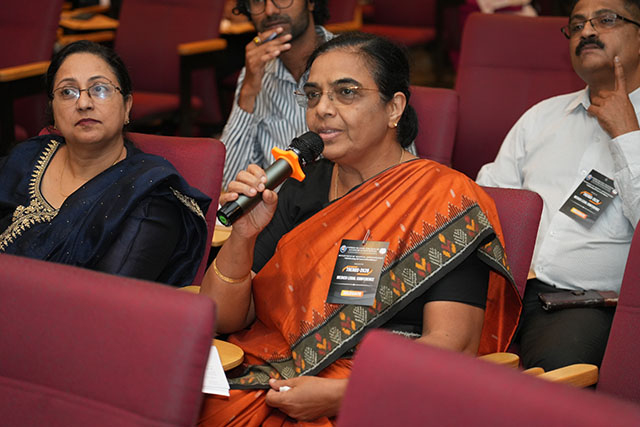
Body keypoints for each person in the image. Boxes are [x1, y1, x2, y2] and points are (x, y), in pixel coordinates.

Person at [199, 33, 521, 426]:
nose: (323, 109)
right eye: (313, 95)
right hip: (275, 375)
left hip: (386, 394)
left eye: (346, 93)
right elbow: (225, 318)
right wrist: (243, 236)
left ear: (394, 108)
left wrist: (342, 395)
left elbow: (454, 348)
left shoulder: (444, 201)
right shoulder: (300, 186)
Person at [476, 0, 640, 371]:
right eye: (577, 25)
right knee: (422, 343)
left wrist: (627, 134)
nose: (587, 31)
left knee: (553, 371)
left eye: (605, 20)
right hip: (505, 288)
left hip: (584, 305)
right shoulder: (541, 117)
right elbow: (486, 203)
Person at [0, 41, 210, 286]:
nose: (83, 103)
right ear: (52, 110)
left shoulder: (150, 197)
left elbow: (104, 298)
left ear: (127, 106)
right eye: (67, 92)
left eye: (100, 89)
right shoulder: (26, 157)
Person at [221, 0, 333, 187]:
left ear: (311, 2)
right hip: (275, 203)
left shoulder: (352, 63)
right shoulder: (255, 73)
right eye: (257, 1)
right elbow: (229, 179)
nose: (270, 10)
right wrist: (248, 90)